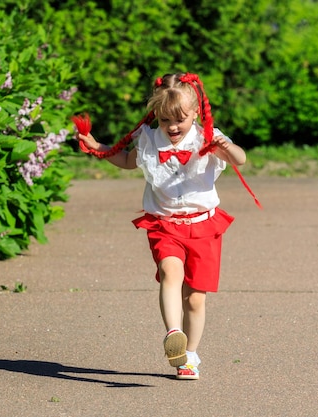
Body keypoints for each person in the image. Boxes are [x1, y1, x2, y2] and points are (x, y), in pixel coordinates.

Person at [75, 72, 247, 380]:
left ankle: (189, 356)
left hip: (203, 226)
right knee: (170, 272)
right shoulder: (149, 137)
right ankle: (174, 334)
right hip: (165, 225)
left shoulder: (208, 136)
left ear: (196, 113)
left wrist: (224, 146)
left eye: (180, 119)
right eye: (165, 120)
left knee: (195, 298)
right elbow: (128, 160)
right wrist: (97, 146)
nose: (173, 127)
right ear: (157, 116)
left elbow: (240, 159)